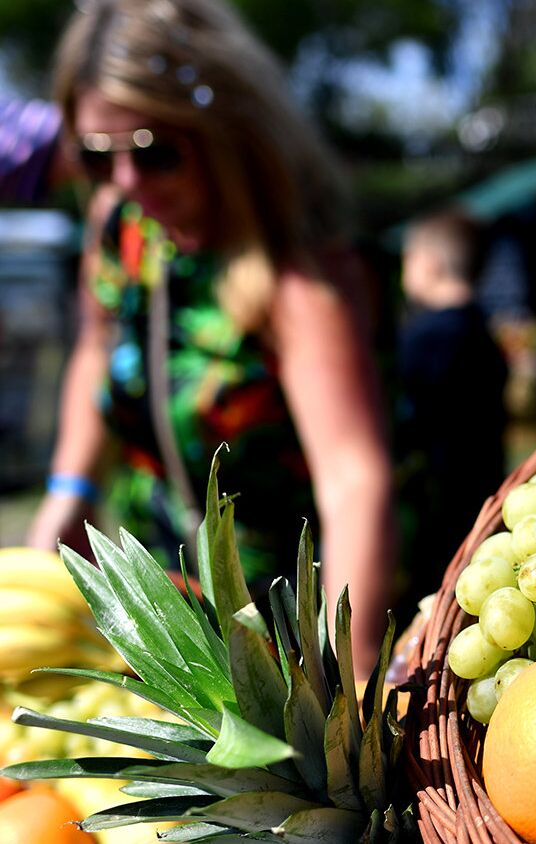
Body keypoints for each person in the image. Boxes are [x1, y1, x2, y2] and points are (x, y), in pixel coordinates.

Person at [24, 0, 393, 673]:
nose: (127, 183)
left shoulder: (294, 271)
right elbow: (98, 347)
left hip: (289, 625)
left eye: (155, 152)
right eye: (97, 157)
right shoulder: (121, 226)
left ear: (223, 132)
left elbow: (354, 481)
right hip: (166, 599)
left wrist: (352, 674)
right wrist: (69, 492)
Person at [396, 209, 508, 614]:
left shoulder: (426, 336)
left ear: (429, 263)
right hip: (479, 492)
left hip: (435, 505)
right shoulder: (481, 330)